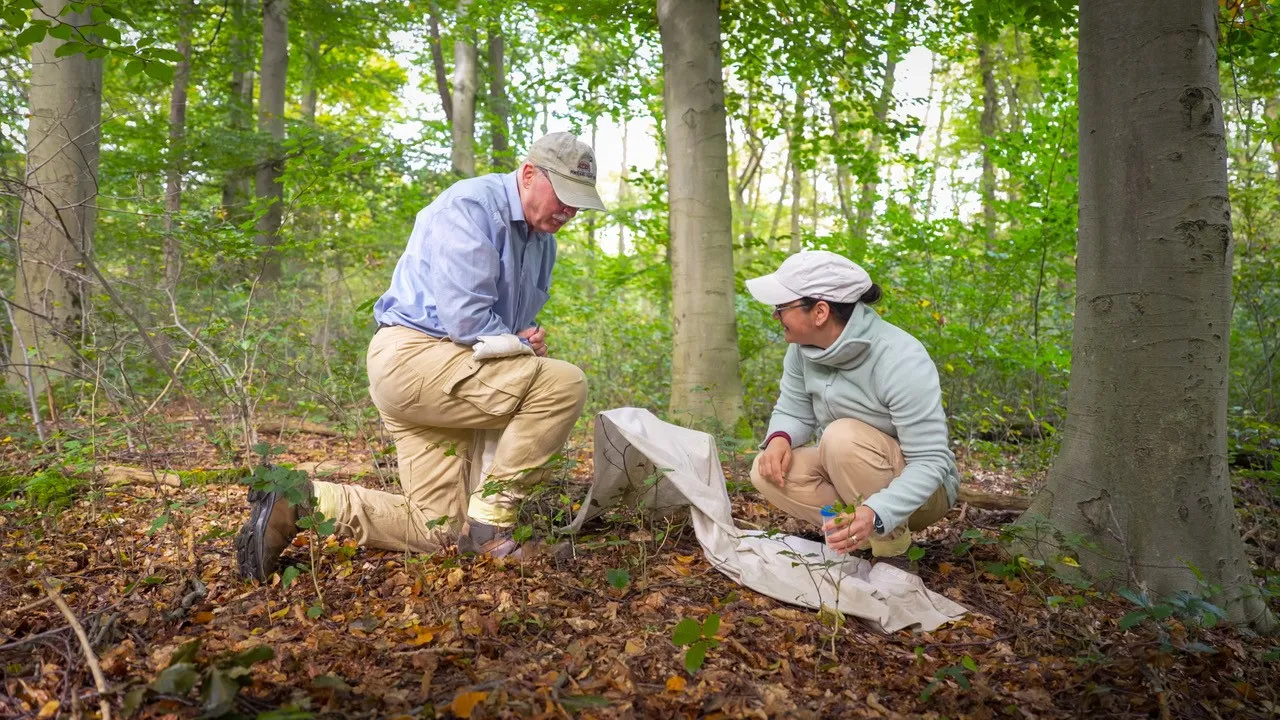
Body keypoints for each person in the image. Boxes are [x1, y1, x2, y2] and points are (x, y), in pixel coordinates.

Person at [236, 132, 605, 581]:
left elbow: (503, 329)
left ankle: (296, 501)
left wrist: (521, 338)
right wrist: (522, 345)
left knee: (438, 528)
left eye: (579, 202)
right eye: (563, 195)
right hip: (414, 358)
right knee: (563, 382)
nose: (570, 210)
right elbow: (468, 321)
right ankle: (493, 527)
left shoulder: (542, 241)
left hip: (457, 371)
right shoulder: (472, 206)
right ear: (529, 174)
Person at [745, 250, 959, 559]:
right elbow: (792, 410)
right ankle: (853, 535)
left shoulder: (900, 358)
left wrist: (877, 510)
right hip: (849, 472)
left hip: (924, 495)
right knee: (764, 470)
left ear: (820, 312)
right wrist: (780, 438)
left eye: (782, 307)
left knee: (840, 436)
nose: (775, 316)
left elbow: (930, 461)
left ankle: (892, 552)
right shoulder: (802, 351)